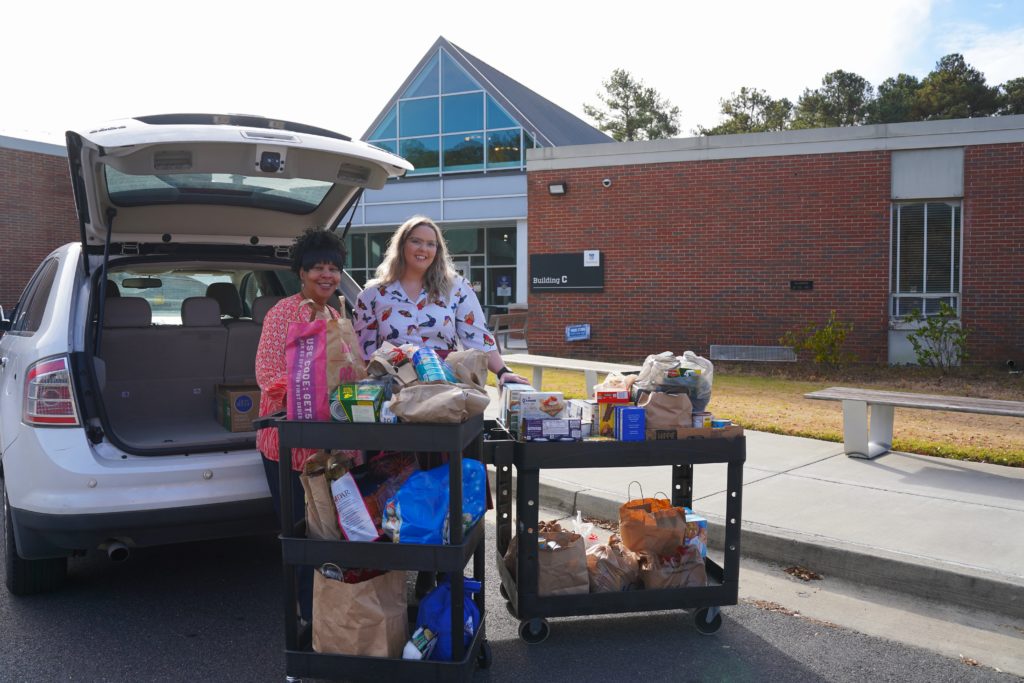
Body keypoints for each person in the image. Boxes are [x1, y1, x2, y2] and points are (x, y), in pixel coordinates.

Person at [255, 227, 348, 623]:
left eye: (333, 268)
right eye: (317, 268)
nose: (326, 276)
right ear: (301, 272)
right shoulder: (283, 314)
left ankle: (331, 611)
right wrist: (314, 399)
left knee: (328, 529)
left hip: (329, 444)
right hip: (288, 444)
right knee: (298, 532)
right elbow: (268, 376)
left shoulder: (336, 314)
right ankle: (307, 619)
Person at [353, 215, 528, 385]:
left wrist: (503, 371)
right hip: (394, 391)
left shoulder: (457, 288)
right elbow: (364, 352)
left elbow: (477, 335)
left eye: (431, 244)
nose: (424, 249)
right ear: (401, 245)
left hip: (444, 388)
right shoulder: (372, 295)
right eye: (416, 241)